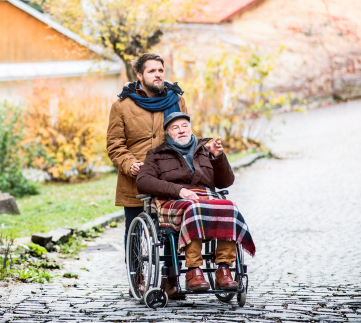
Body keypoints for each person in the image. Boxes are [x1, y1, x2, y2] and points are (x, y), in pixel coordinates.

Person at [136, 112, 256, 298]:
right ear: (168, 134)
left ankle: (223, 270)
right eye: (175, 128)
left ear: (191, 128)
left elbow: (226, 182)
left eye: (184, 126)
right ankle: (194, 270)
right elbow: (143, 181)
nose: (181, 130)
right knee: (194, 207)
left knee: (229, 207)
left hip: (205, 197)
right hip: (173, 201)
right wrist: (178, 191)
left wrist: (218, 157)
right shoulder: (157, 154)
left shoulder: (205, 149)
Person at [106, 53, 187, 248]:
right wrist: (130, 164)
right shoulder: (121, 106)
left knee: (172, 230)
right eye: (152, 71)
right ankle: (137, 273)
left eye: (161, 70)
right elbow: (115, 144)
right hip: (136, 180)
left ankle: (171, 275)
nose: (158, 74)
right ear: (140, 75)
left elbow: (184, 136)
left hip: (171, 177)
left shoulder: (176, 100)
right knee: (134, 234)